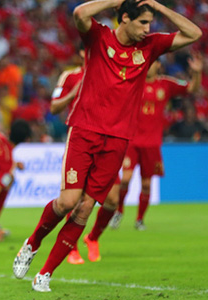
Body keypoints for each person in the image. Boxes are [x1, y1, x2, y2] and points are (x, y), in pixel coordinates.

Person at [13, 0, 201, 292]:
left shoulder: (150, 47)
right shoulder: (99, 37)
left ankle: (45, 274)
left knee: (85, 209)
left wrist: (158, 7)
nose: (147, 29)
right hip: (85, 130)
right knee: (67, 202)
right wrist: (117, 1)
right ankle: (32, 243)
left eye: (150, 23)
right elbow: (79, 13)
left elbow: (194, 34)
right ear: (125, 18)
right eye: (143, 22)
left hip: (118, 139)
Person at [111, 55, 202, 230]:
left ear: (159, 65)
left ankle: (139, 220)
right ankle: (118, 211)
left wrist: (197, 74)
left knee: (146, 184)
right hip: (131, 141)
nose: (148, 65)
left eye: (151, 62)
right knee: (125, 180)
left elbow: (191, 89)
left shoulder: (166, 84)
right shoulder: (132, 81)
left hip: (152, 143)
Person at [51, 47, 121, 265]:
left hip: (106, 143)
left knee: (112, 200)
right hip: (81, 142)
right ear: (82, 52)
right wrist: (74, 93)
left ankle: (93, 238)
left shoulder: (113, 74)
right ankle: (70, 246)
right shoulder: (70, 76)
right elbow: (54, 106)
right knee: (76, 200)